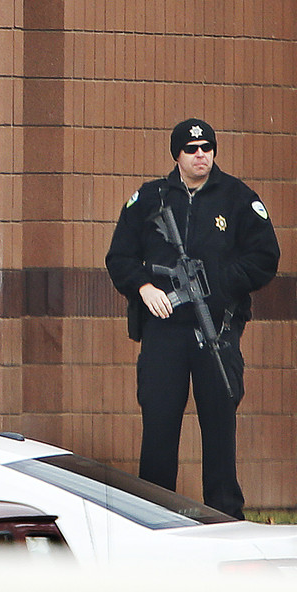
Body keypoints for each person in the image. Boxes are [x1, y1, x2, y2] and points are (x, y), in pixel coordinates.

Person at [105, 119, 280, 519]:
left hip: (217, 330)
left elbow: (265, 257)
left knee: (219, 427)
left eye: (207, 148)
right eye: (191, 149)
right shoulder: (150, 199)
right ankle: (153, 515)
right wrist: (143, 288)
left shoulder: (238, 198)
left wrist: (218, 284)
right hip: (164, 332)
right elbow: (120, 257)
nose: (200, 155)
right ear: (177, 155)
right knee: (159, 425)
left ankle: (224, 515)